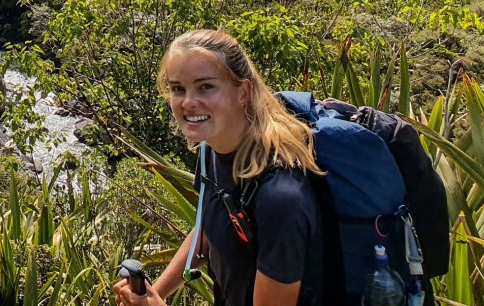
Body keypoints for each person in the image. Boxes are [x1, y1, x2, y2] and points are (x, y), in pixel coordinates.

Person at [113, 29, 325, 306]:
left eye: (205, 87)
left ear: (243, 92)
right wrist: (155, 294)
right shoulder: (212, 150)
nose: (188, 102)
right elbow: (210, 225)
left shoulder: (280, 198)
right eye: (178, 89)